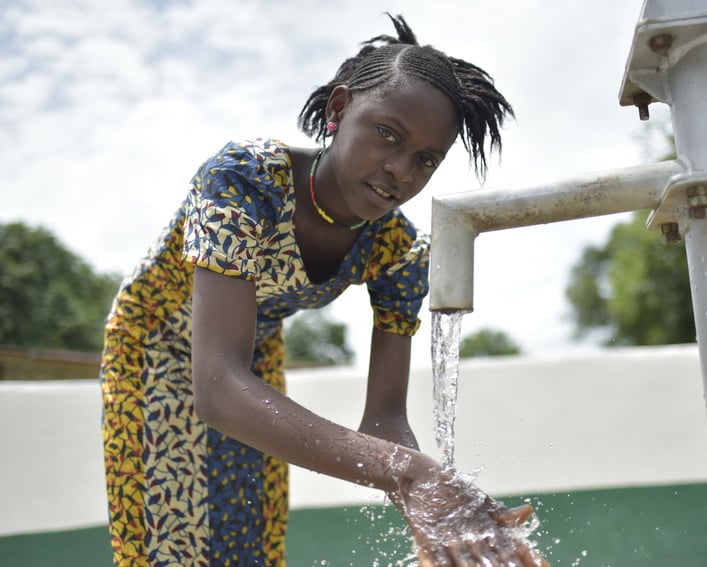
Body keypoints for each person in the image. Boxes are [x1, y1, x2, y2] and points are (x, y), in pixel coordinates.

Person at [99, 14, 547, 567]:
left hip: (252, 358)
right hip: (156, 349)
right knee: (174, 547)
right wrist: (412, 473)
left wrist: (443, 514)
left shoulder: (398, 251)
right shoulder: (244, 179)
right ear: (339, 110)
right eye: (388, 134)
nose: (401, 171)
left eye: (426, 159)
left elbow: (383, 420)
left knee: (250, 549)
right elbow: (215, 387)